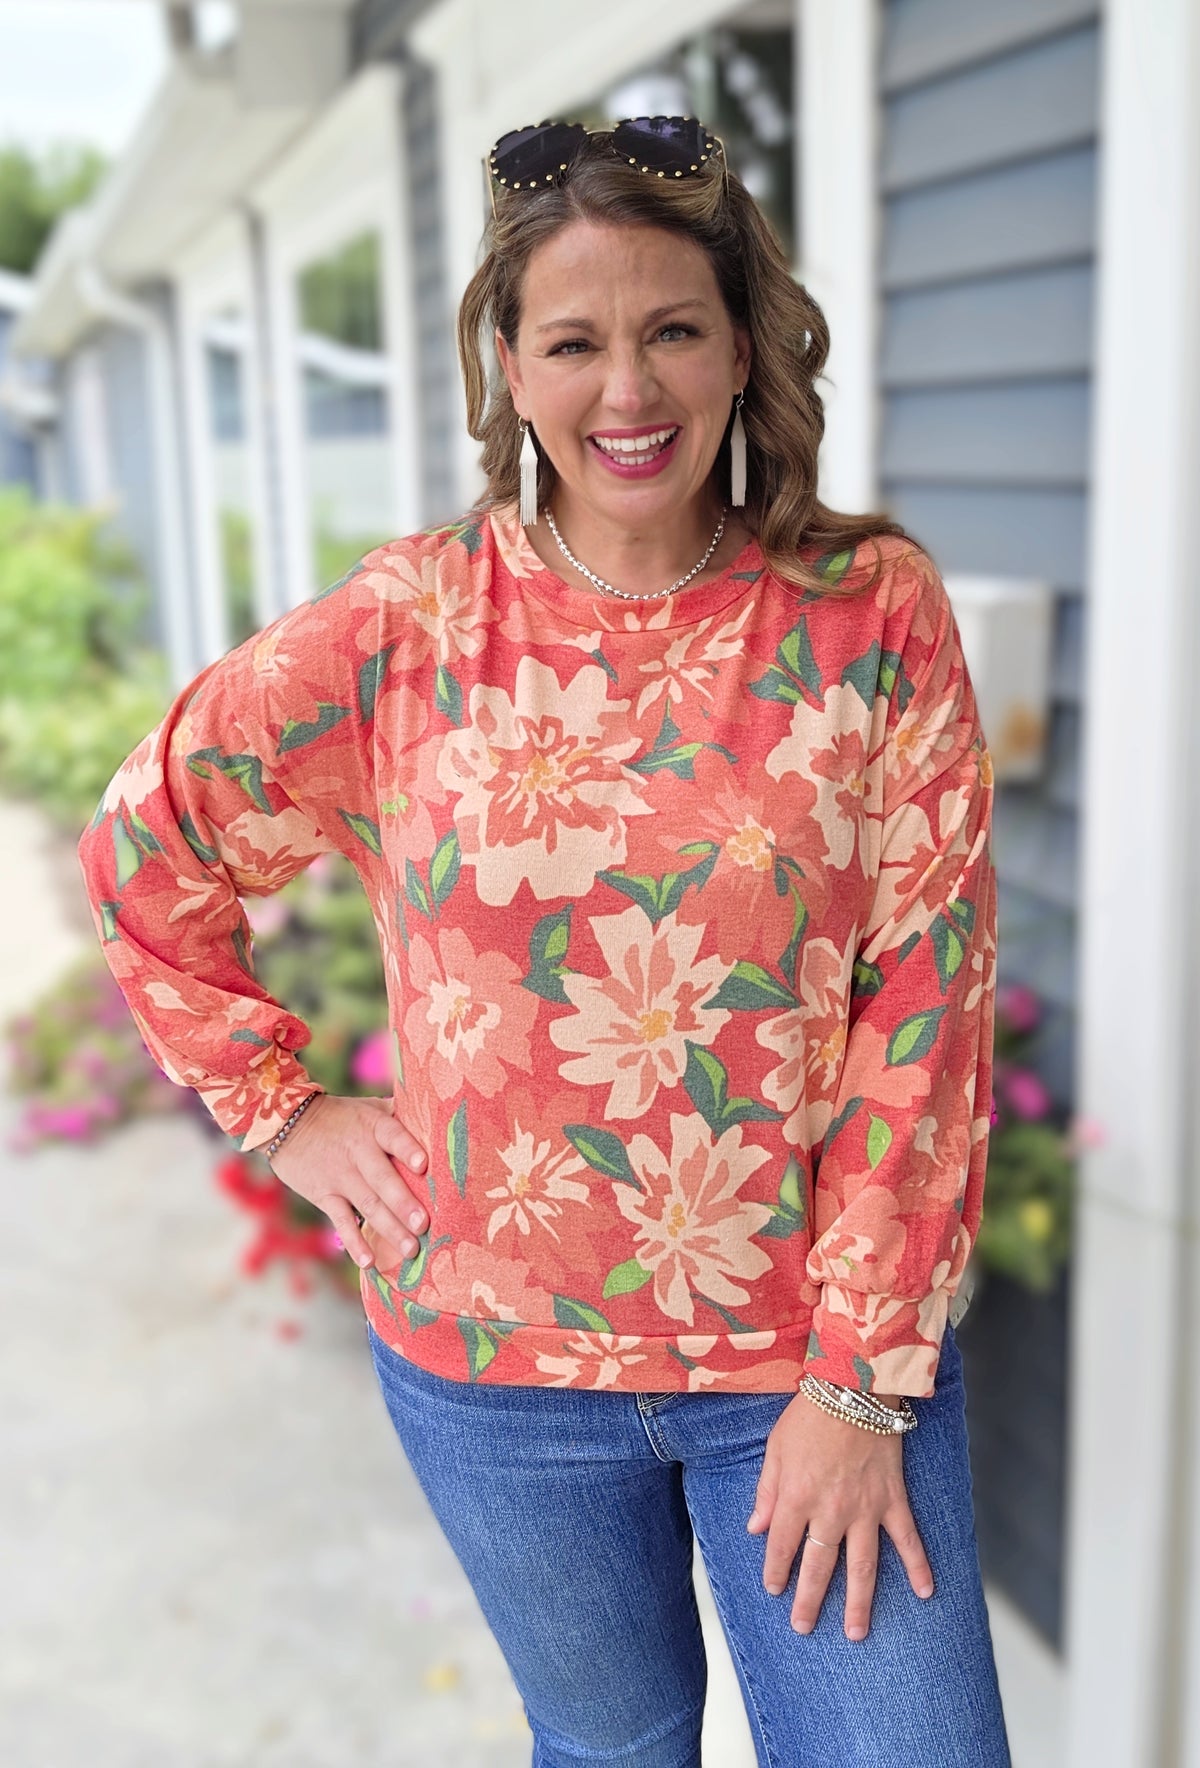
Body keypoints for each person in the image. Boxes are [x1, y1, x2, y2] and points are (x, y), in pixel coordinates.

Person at [78, 116, 1010, 1766]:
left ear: (744, 343)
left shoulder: (867, 615)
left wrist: (861, 1386)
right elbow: (149, 844)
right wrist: (282, 1111)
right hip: (491, 1370)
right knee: (609, 1753)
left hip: (806, 1361)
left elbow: (921, 1009)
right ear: (507, 364)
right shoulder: (405, 629)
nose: (627, 393)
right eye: (573, 342)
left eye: (671, 330)